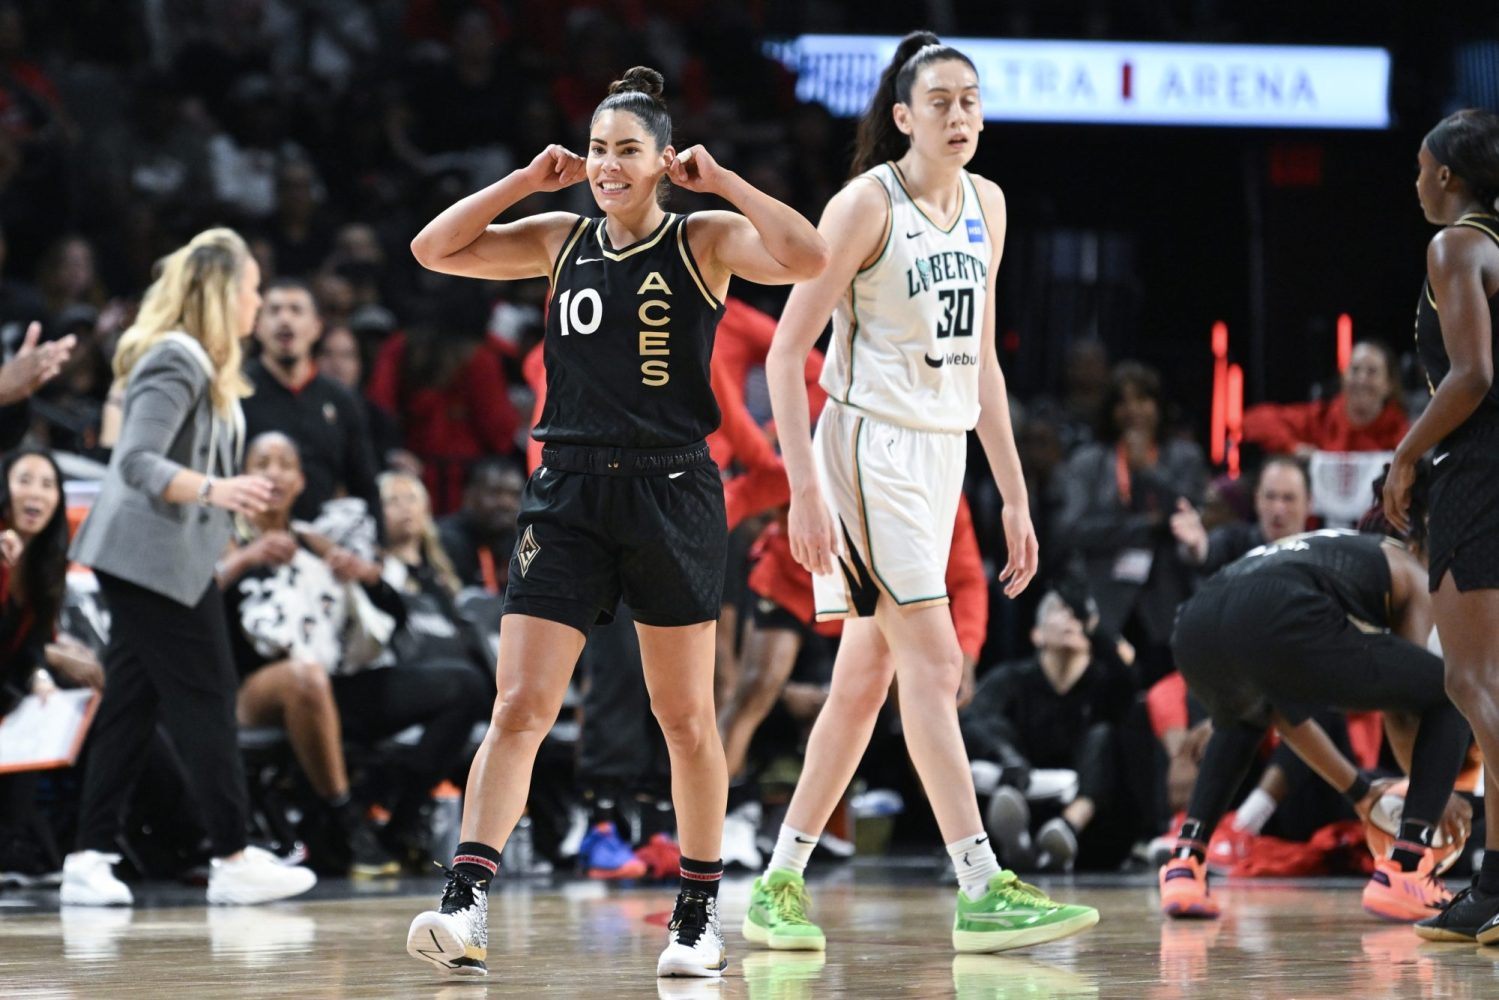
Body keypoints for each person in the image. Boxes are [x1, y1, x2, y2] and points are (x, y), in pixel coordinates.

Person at [402, 66, 827, 979]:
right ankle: (465, 902)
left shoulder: (703, 236)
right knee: (517, 705)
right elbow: (433, 249)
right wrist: (525, 180)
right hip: (566, 492)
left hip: (671, 490)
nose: (605, 166)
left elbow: (808, 257)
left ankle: (699, 915)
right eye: (597, 149)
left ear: (662, 161)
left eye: (624, 150)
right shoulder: (560, 237)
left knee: (683, 719)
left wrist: (727, 183)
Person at [756, 31, 1097, 956]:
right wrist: (804, 489)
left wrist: (1015, 496)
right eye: (940, 101)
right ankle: (981, 884)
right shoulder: (863, 205)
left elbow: (980, 362)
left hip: (938, 456)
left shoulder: (987, 202)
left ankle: (778, 880)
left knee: (865, 679)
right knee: (937, 667)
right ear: (903, 117)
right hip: (864, 446)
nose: (960, 116)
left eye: (971, 100)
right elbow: (787, 356)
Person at [62, 227, 316, 907]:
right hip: (148, 559)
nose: (259, 302)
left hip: (163, 559)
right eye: (254, 288)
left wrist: (220, 513)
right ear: (223, 291)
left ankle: (88, 859)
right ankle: (233, 857)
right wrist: (219, 491)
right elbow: (136, 462)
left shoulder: (202, 363)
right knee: (206, 696)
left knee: (130, 706)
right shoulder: (174, 359)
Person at [1160, 474, 1471, 924]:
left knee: (1245, 718)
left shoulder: (1325, 549)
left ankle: (1185, 863)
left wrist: (1361, 793)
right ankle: (1407, 867)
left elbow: (1284, 715)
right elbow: (1406, 709)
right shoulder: (1408, 565)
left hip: (1196, 626)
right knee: (1450, 691)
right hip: (1276, 612)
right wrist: (1433, 795)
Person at [222, 433, 487, 872]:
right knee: (304, 675)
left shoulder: (314, 542)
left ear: (301, 481)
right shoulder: (225, 538)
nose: (273, 472)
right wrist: (245, 560)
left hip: (335, 683)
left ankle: (401, 812)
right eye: (261, 462)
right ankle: (347, 817)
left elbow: (394, 620)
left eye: (285, 462)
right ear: (242, 478)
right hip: (254, 689)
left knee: (466, 685)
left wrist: (369, 579)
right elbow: (194, 611)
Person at [1385, 107, 1499, 943]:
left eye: (1422, 167)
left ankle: (1496, 884)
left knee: (1474, 684)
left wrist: (1403, 454)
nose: (1416, 181)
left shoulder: (1454, 245)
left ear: (1449, 177)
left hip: (1479, 474)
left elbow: (1469, 376)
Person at [1054, 361, 1206, 687]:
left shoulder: (1185, 457)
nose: (1132, 410)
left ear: (1159, 406)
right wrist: (1146, 526)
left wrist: (1147, 472)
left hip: (1167, 601)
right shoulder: (1088, 461)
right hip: (1105, 598)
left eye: (1142, 399)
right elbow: (1070, 529)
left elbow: (1188, 517)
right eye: (1122, 401)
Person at [966, 587, 1136, 874]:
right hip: (1020, 790)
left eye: (1078, 615)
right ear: (1037, 633)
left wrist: (1095, 627)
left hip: (1090, 816)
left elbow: (1131, 680)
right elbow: (972, 720)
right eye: (1060, 611)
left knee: (1103, 736)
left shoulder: (1104, 681)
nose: (1071, 620)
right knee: (991, 726)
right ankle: (1016, 842)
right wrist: (1007, 757)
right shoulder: (1012, 677)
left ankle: (1065, 830)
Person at [240, 277, 384, 532]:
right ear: (257, 326)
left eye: (296, 310)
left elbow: (364, 485)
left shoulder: (341, 398)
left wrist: (375, 553)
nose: (285, 319)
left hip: (324, 548)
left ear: (317, 327)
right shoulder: (235, 392)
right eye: (274, 310)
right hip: (248, 539)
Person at [1243, 340, 1408, 456]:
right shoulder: (1322, 417)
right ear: (1343, 378)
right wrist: (1293, 448)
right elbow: (1255, 420)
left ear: (1389, 385)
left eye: (1372, 372)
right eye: (1355, 369)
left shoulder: (1401, 433)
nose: (1361, 379)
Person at [1170, 456, 1311, 576]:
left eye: (1289, 498)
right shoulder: (1235, 542)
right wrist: (1197, 547)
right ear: (1257, 499)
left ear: (1309, 503)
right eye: (1270, 496)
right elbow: (1209, 552)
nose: (1278, 509)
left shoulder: (1323, 554)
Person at [437, 457, 524, 594]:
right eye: (495, 492)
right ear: (469, 496)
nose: (506, 503)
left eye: (514, 495)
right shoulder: (445, 540)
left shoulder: (519, 543)